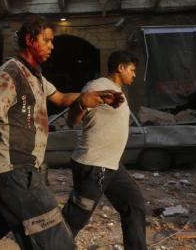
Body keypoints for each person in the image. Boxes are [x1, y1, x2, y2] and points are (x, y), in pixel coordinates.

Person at [0, 15, 115, 250]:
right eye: (47, 40)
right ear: (31, 40)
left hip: (17, 174)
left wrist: (94, 98)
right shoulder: (8, 75)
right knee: (58, 243)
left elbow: (61, 98)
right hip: (16, 173)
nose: (52, 46)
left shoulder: (35, 76)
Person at [62, 50, 147, 250]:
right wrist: (82, 102)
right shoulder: (97, 87)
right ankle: (47, 245)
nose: (134, 75)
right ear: (120, 67)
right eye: (132, 70)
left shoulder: (117, 90)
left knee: (134, 205)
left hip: (112, 165)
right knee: (75, 219)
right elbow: (72, 120)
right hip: (93, 166)